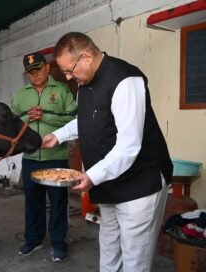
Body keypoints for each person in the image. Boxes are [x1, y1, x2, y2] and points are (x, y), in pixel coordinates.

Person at [42, 32, 173, 271]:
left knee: (135, 257)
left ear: (87, 57)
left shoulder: (125, 80)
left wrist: (92, 176)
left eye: (70, 71)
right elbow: (86, 120)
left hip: (139, 183)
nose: (69, 78)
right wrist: (58, 135)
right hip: (109, 182)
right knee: (109, 244)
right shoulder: (85, 84)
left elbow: (129, 145)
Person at [10, 51, 77, 262]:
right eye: (30, 72)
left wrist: (45, 115)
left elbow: (73, 118)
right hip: (30, 157)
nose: (34, 74)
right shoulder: (22, 95)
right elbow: (11, 121)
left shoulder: (62, 89)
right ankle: (34, 239)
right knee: (32, 202)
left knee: (58, 203)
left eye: (38, 69)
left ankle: (59, 243)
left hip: (56, 156)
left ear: (47, 68)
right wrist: (25, 117)